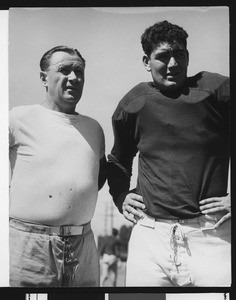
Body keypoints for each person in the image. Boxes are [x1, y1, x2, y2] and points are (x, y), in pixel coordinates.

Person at [107, 20, 230, 286]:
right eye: (163, 56)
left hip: (212, 233)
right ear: (146, 61)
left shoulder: (218, 91)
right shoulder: (133, 103)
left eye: (180, 55)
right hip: (150, 234)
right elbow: (118, 159)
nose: (173, 63)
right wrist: (120, 195)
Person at [9, 46, 107, 287]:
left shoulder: (94, 128)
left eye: (79, 71)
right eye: (64, 70)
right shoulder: (17, 118)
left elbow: (97, 179)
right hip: (28, 249)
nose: (74, 78)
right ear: (43, 77)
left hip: (83, 247)